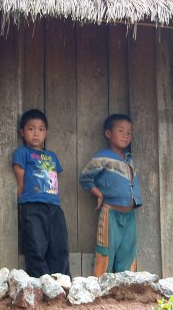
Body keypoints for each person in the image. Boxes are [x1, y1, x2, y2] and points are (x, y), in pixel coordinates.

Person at [79, 114, 142, 276]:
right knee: (106, 252)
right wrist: (98, 193)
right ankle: (99, 288)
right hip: (111, 213)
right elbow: (85, 177)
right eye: (121, 130)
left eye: (129, 132)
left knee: (128, 253)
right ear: (108, 133)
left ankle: (126, 289)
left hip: (130, 214)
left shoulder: (129, 159)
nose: (126, 135)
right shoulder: (103, 157)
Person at [12, 109, 70, 278]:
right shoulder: (22, 153)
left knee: (60, 246)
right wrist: (23, 203)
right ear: (22, 132)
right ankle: (40, 284)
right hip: (32, 205)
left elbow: (55, 178)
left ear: (46, 132)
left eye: (41, 129)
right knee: (35, 246)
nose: (36, 133)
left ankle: (62, 284)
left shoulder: (51, 156)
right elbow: (20, 181)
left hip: (54, 207)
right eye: (31, 129)